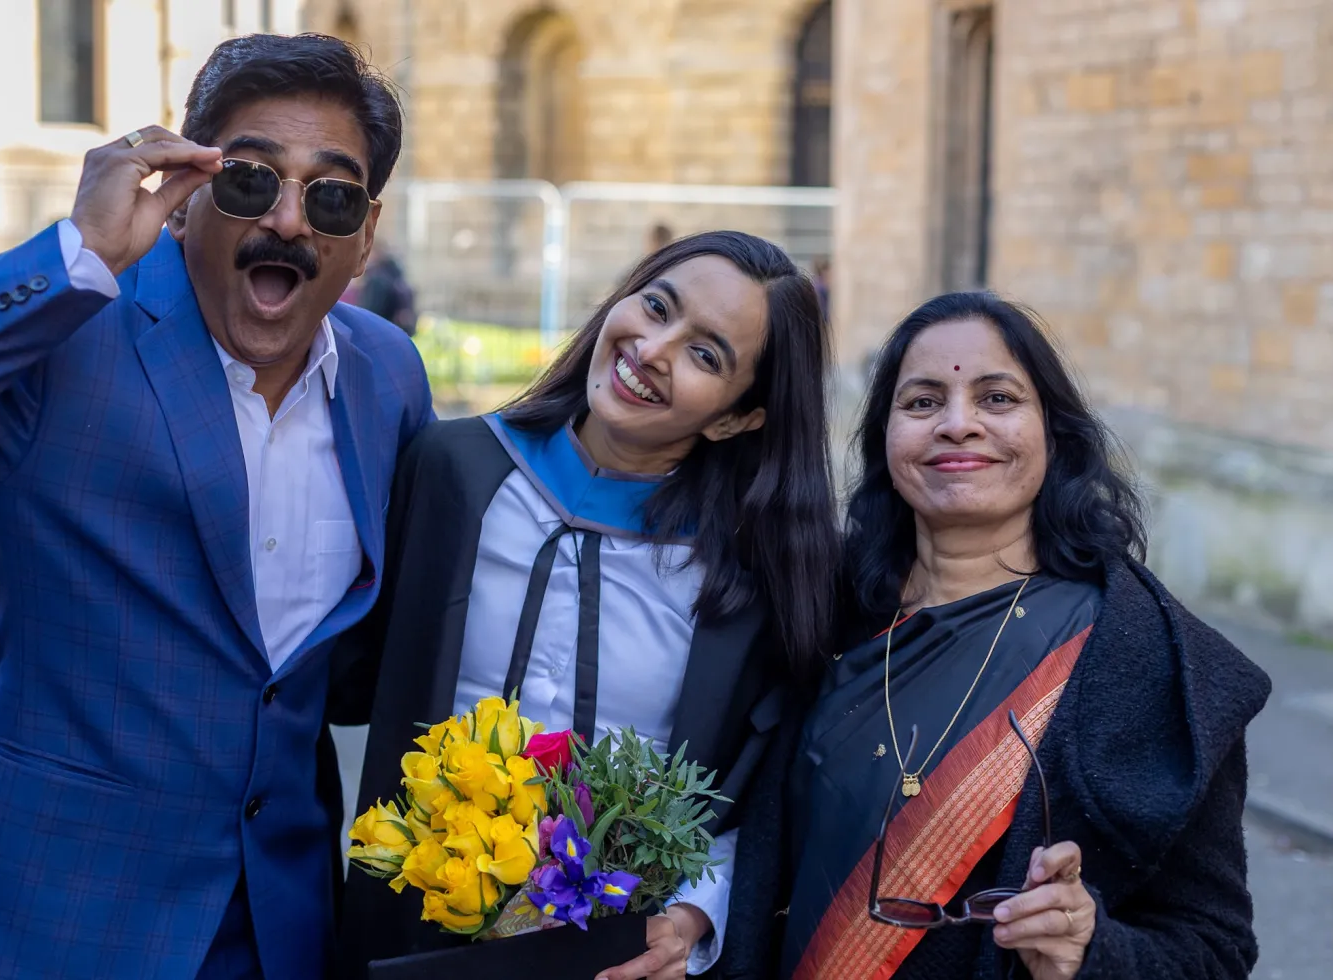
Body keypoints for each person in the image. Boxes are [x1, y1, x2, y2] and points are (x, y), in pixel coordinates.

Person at [0, 34, 430, 980]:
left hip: (277, 934)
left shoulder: (389, 377)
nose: (289, 221)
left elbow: (351, 659)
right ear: (185, 191)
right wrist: (75, 253)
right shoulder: (63, 336)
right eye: (251, 179)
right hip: (32, 926)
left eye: (330, 196)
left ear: (364, 234)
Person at [330, 231, 843, 980]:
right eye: (657, 307)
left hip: (611, 955)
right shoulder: (453, 472)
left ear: (739, 417)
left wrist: (697, 913)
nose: (655, 349)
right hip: (405, 933)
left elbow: (758, 794)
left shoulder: (748, 574)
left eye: (706, 355)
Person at [730, 291, 1271, 979]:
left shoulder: (1149, 663)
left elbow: (1214, 950)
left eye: (998, 399)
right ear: (885, 439)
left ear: (1054, 431)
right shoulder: (815, 617)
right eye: (923, 402)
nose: (959, 425)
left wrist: (1090, 949)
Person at [348, 243, 417, 335]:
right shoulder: (395, 274)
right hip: (397, 332)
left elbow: (370, 312)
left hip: (379, 331)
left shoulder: (377, 279)